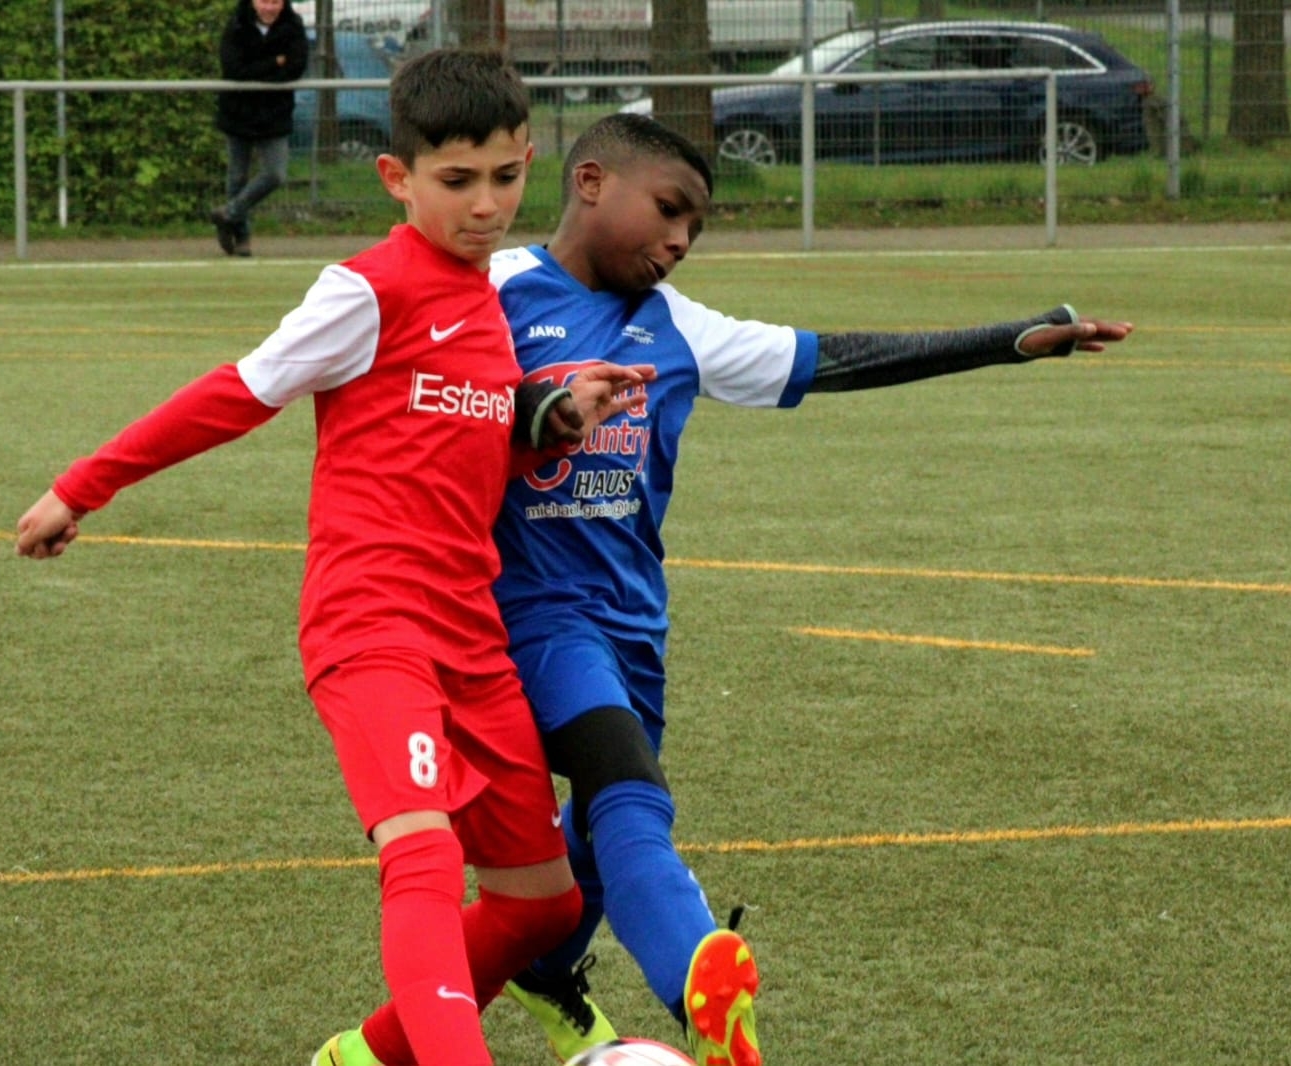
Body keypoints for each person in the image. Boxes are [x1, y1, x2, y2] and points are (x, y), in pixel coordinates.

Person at [16, 50, 654, 1066]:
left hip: (471, 632)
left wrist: (554, 421)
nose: (485, 205)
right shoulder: (366, 290)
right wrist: (82, 485)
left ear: (528, 162)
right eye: (456, 181)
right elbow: (236, 393)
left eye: (504, 177)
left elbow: (467, 442)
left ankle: (364, 1055)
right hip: (371, 623)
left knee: (541, 902)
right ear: (397, 178)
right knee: (421, 852)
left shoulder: (486, 301)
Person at [485, 113, 1136, 1066]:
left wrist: (1006, 341)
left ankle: (513, 986)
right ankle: (700, 982)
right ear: (590, 182)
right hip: (532, 617)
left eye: (696, 227)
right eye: (669, 210)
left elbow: (836, 358)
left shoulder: (680, 330)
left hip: (635, 630)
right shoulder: (492, 292)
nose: (681, 239)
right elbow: (415, 396)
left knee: (590, 833)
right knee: (630, 792)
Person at [210, 0, 308, 257]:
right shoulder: (237, 24)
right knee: (237, 178)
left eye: (275, 2)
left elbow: (295, 68)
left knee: (275, 174)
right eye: (264, 1)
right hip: (238, 113)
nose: (269, 8)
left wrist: (258, 70)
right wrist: (275, 62)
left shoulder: (293, 26)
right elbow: (234, 70)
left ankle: (228, 213)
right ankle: (241, 238)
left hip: (274, 115)